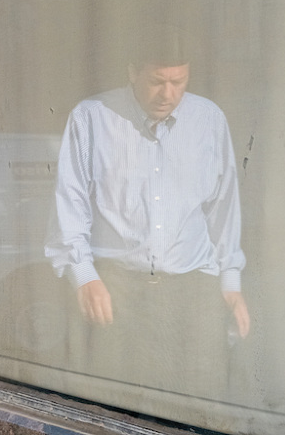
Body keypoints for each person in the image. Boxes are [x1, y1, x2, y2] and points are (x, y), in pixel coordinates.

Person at [45, 29, 248, 390]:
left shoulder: (209, 119)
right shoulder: (91, 118)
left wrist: (230, 282)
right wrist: (85, 276)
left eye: (178, 82)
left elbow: (224, 207)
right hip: (117, 290)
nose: (168, 94)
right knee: (115, 400)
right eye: (157, 82)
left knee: (199, 398)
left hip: (193, 290)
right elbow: (69, 204)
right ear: (132, 72)